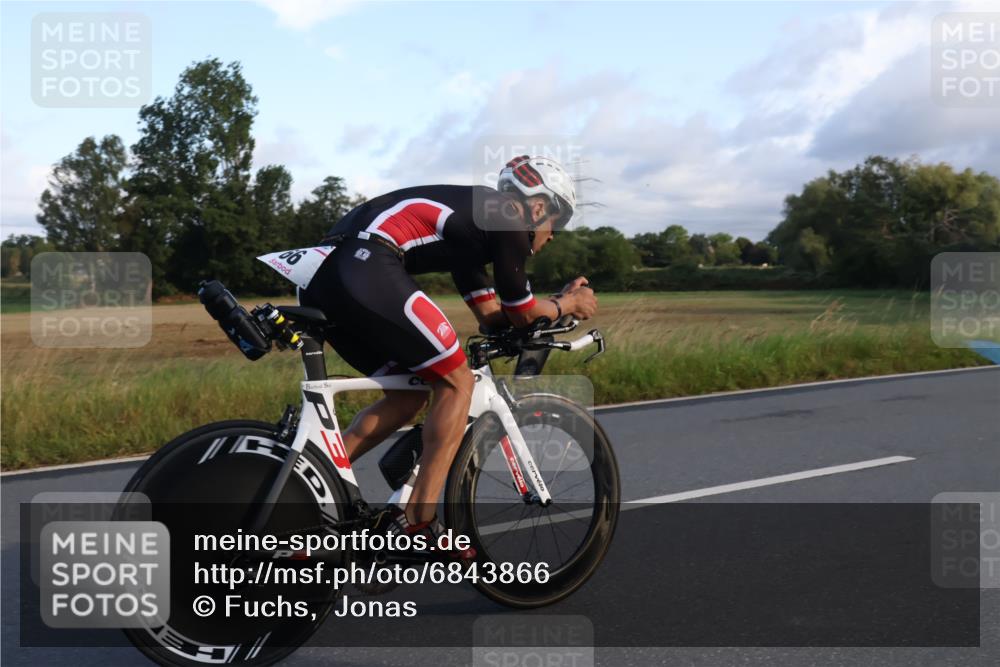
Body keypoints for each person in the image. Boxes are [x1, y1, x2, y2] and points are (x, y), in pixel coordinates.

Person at [300, 155, 597, 551]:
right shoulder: (508, 217)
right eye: (556, 223)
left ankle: (307, 482)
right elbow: (523, 312)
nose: (553, 235)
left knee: (407, 397)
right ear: (538, 206)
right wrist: (568, 305)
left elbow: (493, 317)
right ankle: (418, 522)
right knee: (456, 382)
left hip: (325, 271)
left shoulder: (476, 231)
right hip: (366, 264)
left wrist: (553, 305)